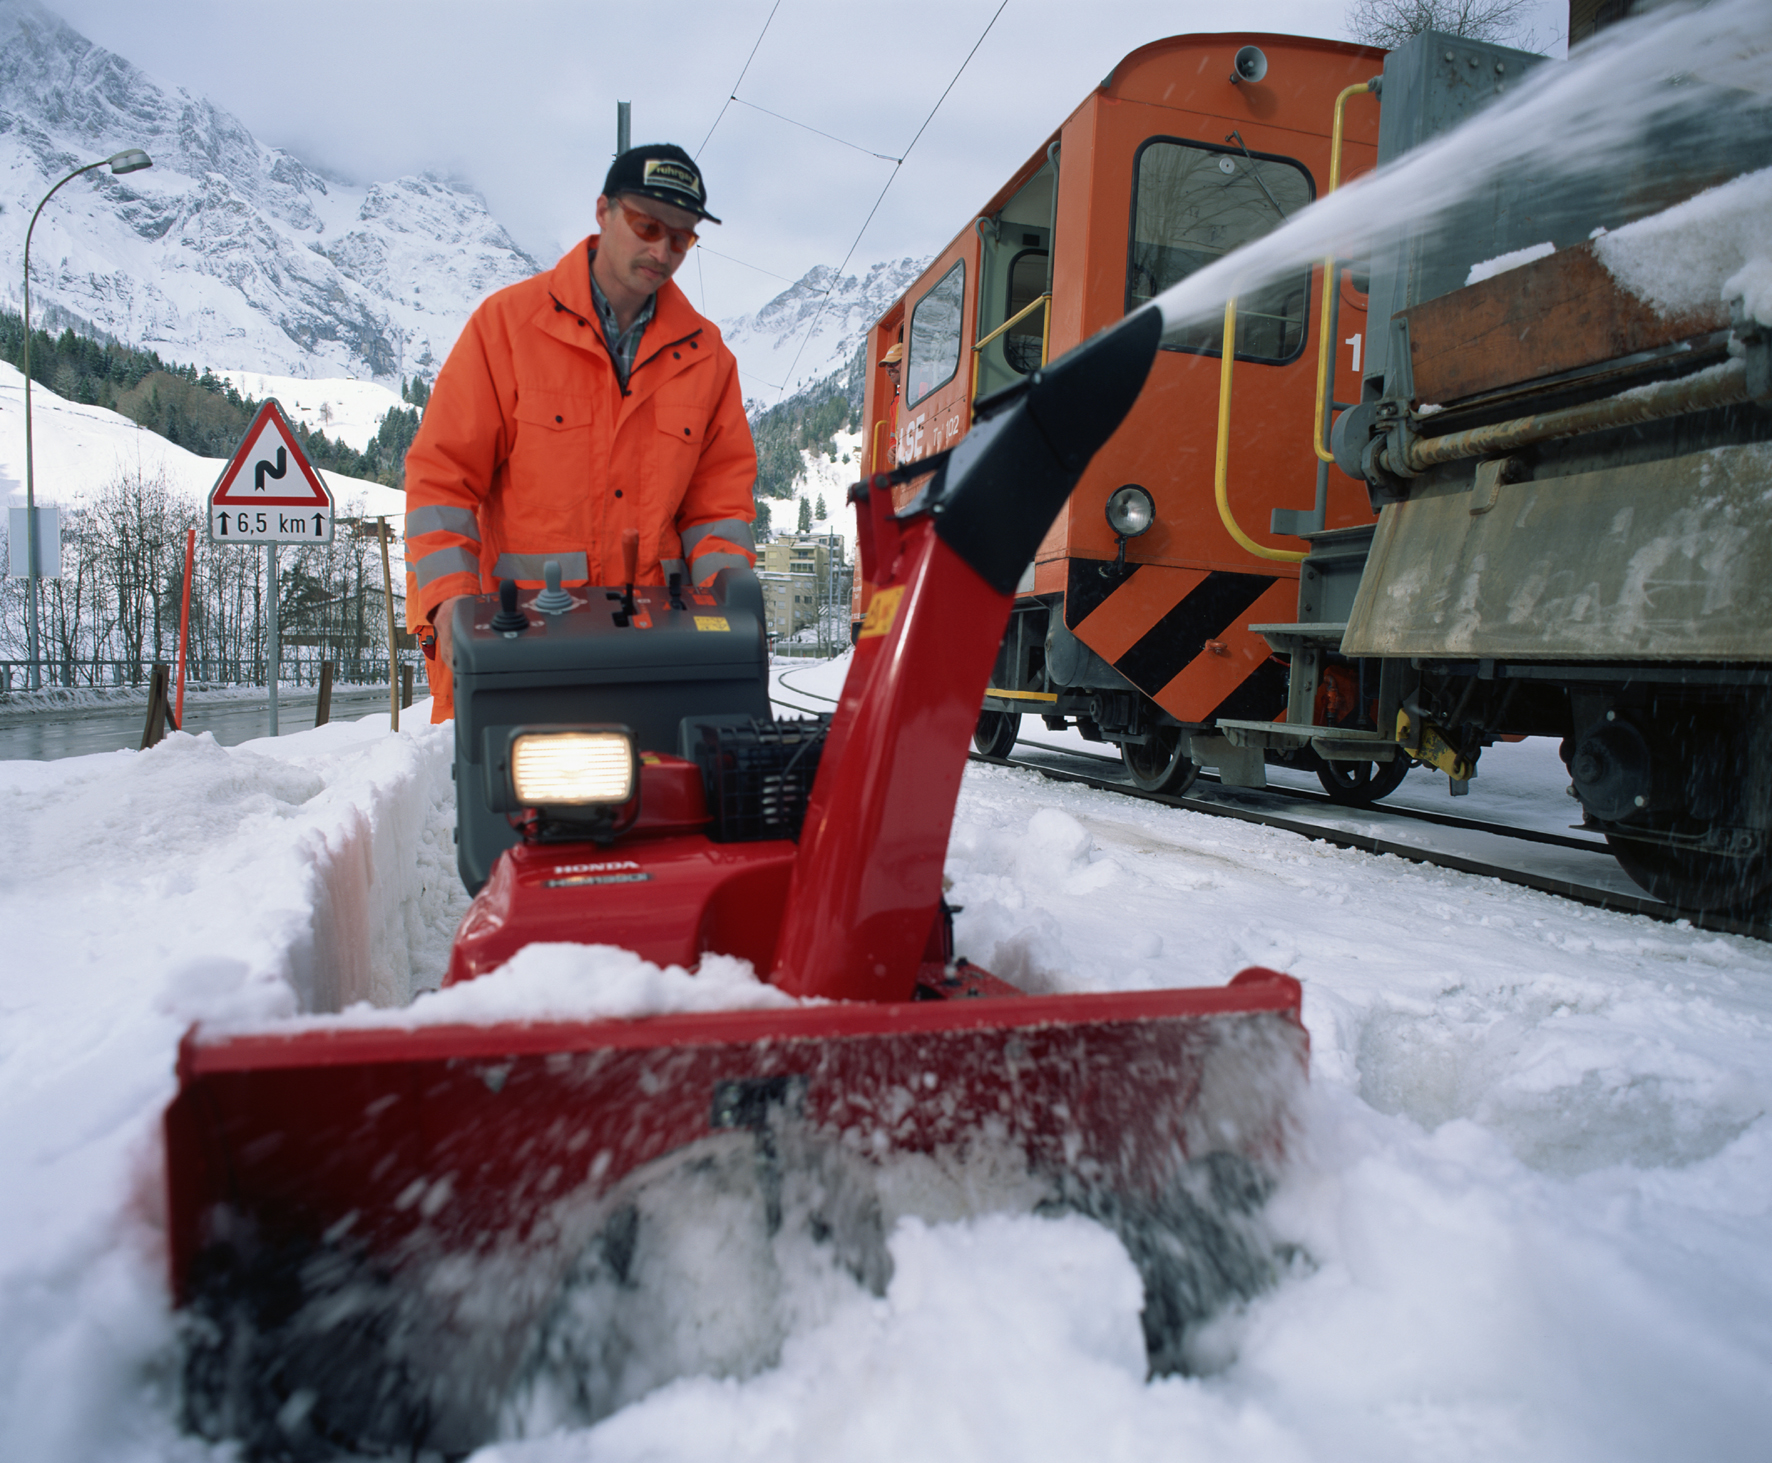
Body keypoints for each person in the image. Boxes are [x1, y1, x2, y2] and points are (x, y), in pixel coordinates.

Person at [403, 143, 759, 720]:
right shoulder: (508, 329)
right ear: (603, 211)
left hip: (657, 656)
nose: (661, 250)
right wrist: (448, 605)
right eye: (647, 225)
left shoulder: (709, 359)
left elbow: (718, 512)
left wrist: (733, 610)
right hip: (520, 652)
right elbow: (443, 481)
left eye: (681, 238)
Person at [879, 339, 903, 468]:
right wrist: (893, 448)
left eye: (894, 363)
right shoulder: (896, 403)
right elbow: (894, 435)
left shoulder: (928, 384)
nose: (889, 368)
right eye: (887, 365)